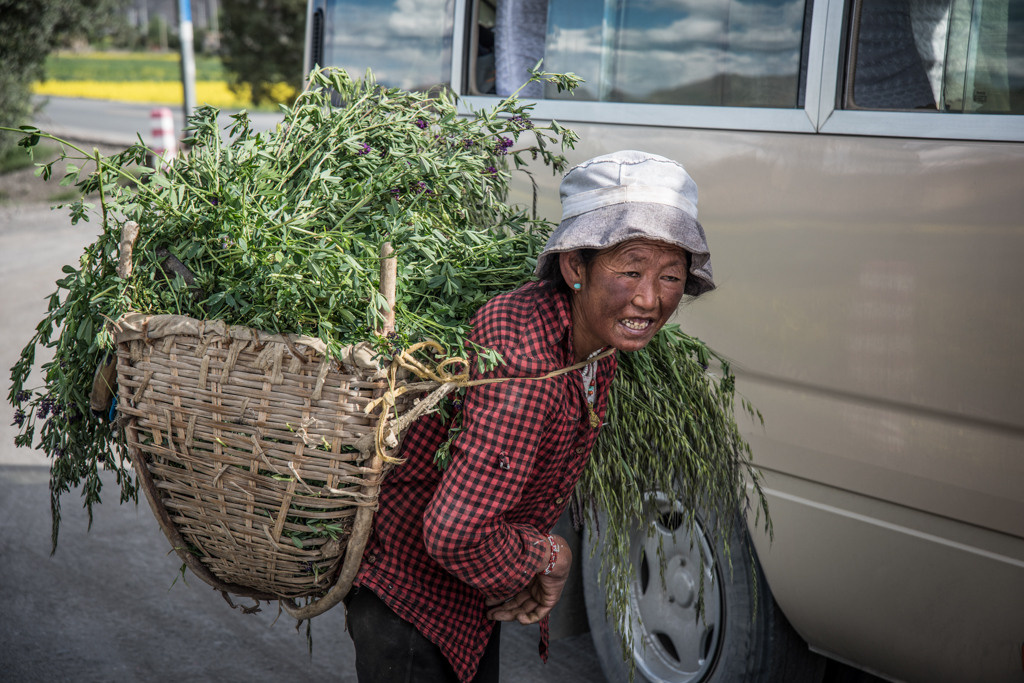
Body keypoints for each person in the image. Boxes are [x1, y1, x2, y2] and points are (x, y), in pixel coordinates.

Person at [345, 150, 716, 682]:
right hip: (412, 606)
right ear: (574, 267)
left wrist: (519, 564)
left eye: (672, 276)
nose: (650, 299)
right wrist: (548, 556)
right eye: (631, 270)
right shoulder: (526, 366)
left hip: (464, 600)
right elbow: (455, 533)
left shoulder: (591, 339)